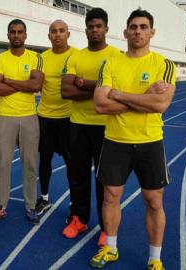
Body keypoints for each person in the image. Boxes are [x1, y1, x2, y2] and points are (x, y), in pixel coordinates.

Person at [90, 9, 176, 270]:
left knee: (154, 200)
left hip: (150, 141)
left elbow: (161, 104)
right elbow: (100, 106)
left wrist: (119, 94)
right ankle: (111, 249)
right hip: (115, 140)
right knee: (110, 197)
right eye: (133, 27)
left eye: (143, 26)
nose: (138, 31)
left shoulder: (163, 64)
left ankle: (155, 259)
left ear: (152, 32)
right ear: (126, 32)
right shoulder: (111, 63)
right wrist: (143, 98)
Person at [61, 8, 121, 246]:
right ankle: (79, 219)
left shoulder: (117, 56)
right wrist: (100, 90)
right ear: (85, 29)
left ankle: (107, 228)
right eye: (90, 26)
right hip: (78, 126)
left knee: (104, 180)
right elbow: (66, 91)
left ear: (106, 28)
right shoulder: (75, 57)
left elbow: (116, 90)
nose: (94, 30)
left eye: (98, 26)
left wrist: (83, 84)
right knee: (78, 176)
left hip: (107, 127)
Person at [0, 19, 44, 225]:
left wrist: (9, 81)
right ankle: (1, 205)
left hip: (29, 116)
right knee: (2, 163)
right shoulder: (0, 59)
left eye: (20, 32)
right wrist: (25, 84)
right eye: (12, 32)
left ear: (25, 35)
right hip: (5, 116)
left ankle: (31, 205)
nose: (16, 35)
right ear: (8, 35)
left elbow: (36, 85)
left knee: (30, 163)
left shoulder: (36, 58)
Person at [35, 20, 78, 216]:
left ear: (68, 34)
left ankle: (74, 203)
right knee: (44, 160)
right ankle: (44, 198)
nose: (58, 34)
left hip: (69, 118)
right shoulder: (42, 58)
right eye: (54, 31)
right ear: (49, 36)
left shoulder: (76, 56)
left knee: (71, 163)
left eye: (62, 31)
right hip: (44, 117)